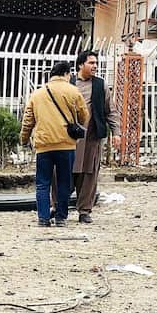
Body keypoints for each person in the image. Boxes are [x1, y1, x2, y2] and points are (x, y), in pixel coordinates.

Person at [21, 61, 88, 227]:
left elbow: (28, 120)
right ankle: (61, 218)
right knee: (64, 182)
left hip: (44, 145)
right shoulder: (73, 91)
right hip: (66, 145)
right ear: (66, 73)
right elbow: (84, 115)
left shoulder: (37, 94)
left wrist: (24, 139)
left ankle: (43, 218)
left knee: (42, 184)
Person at [67, 51, 117, 224]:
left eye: (96, 63)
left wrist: (116, 132)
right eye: (91, 63)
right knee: (63, 172)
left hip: (92, 137)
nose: (95, 66)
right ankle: (58, 207)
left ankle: (84, 210)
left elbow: (110, 111)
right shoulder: (69, 83)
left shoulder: (100, 85)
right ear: (81, 65)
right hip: (69, 137)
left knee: (89, 173)